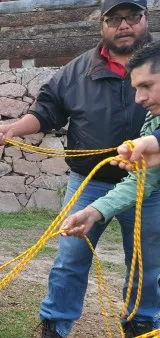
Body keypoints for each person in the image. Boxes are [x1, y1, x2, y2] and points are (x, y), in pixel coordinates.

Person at [0, 1, 158, 337]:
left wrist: (151, 145)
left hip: (150, 185)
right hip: (88, 183)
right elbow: (47, 111)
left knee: (147, 264)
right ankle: (55, 323)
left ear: (145, 19)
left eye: (132, 17)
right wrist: (14, 127)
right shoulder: (76, 71)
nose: (123, 25)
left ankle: (142, 323)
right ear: (102, 24)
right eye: (114, 19)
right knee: (70, 257)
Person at [62, 40, 160, 337]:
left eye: (147, 86)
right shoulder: (151, 123)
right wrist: (94, 212)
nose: (139, 98)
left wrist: (152, 144)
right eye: (136, 89)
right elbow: (141, 181)